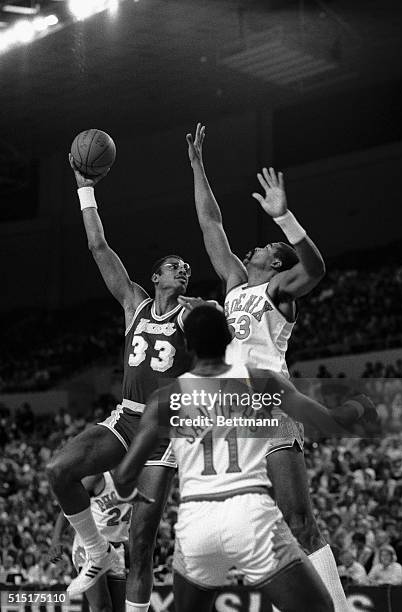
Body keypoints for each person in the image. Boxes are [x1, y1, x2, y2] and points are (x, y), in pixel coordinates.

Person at [113, 307, 376, 612]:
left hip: (196, 523)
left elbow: (123, 476)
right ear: (229, 338)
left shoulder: (166, 398)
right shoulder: (260, 379)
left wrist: (129, 495)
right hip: (250, 516)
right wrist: (359, 404)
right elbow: (330, 421)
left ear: (187, 347)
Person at [185, 123, 348, 610]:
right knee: (262, 526)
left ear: (275, 262)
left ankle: (337, 606)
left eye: (262, 248)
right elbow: (211, 226)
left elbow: (315, 269)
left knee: (298, 518)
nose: (250, 249)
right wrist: (197, 168)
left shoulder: (278, 291)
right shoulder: (235, 284)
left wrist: (287, 221)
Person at [46, 156, 202, 611]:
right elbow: (98, 247)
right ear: (155, 277)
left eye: (186, 268)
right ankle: (95, 550)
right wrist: (85, 189)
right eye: (175, 266)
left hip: (167, 430)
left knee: (142, 541)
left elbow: (219, 340)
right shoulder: (134, 302)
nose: (183, 270)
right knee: (59, 470)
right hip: (126, 418)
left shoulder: (193, 311)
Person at [50, 472, 132, 612]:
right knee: (102, 607)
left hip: (116, 548)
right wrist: (56, 538)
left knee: (119, 609)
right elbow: (70, 505)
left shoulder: (139, 477)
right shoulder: (98, 477)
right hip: (90, 546)